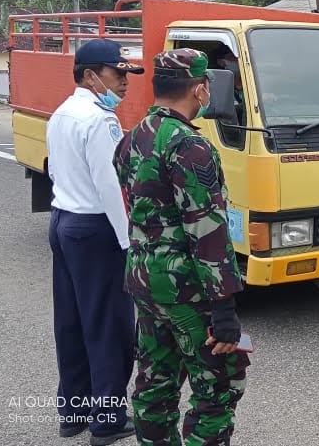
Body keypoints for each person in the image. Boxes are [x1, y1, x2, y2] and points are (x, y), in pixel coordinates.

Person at [113, 48, 248, 446]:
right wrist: (224, 306)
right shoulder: (190, 145)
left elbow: (134, 210)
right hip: (187, 289)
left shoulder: (132, 138)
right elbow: (206, 229)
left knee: (155, 382)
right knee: (219, 388)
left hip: (144, 282)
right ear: (200, 89)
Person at [46, 38, 142, 445]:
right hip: (96, 229)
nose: (125, 82)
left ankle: (74, 410)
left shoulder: (63, 113)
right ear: (90, 75)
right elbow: (112, 189)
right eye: (117, 73)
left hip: (64, 220)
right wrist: (130, 245)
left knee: (72, 322)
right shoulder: (100, 122)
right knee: (109, 326)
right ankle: (107, 420)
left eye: (127, 74)